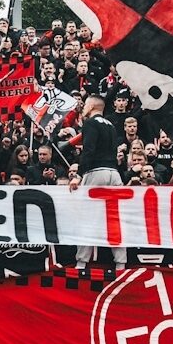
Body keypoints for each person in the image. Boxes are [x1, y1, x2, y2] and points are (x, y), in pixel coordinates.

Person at [67, 94, 126, 270]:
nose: (83, 107)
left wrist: (78, 174)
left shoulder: (90, 124)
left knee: (87, 217)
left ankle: (81, 262)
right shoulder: (111, 126)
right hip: (114, 174)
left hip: (96, 172)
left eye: (85, 104)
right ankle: (121, 263)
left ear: (92, 105)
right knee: (115, 218)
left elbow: (89, 150)